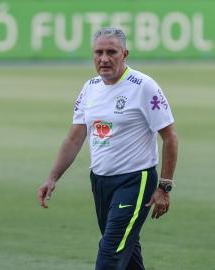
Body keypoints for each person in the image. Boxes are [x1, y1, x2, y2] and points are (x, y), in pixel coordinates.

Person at [37, 27, 178, 270]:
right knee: (127, 252)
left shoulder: (144, 86)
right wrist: (52, 177)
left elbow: (170, 137)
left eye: (111, 52)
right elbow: (74, 138)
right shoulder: (90, 88)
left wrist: (164, 186)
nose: (104, 58)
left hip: (135, 181)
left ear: (124, 53)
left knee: (110, 255)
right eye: (98, 52)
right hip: (100, 182)